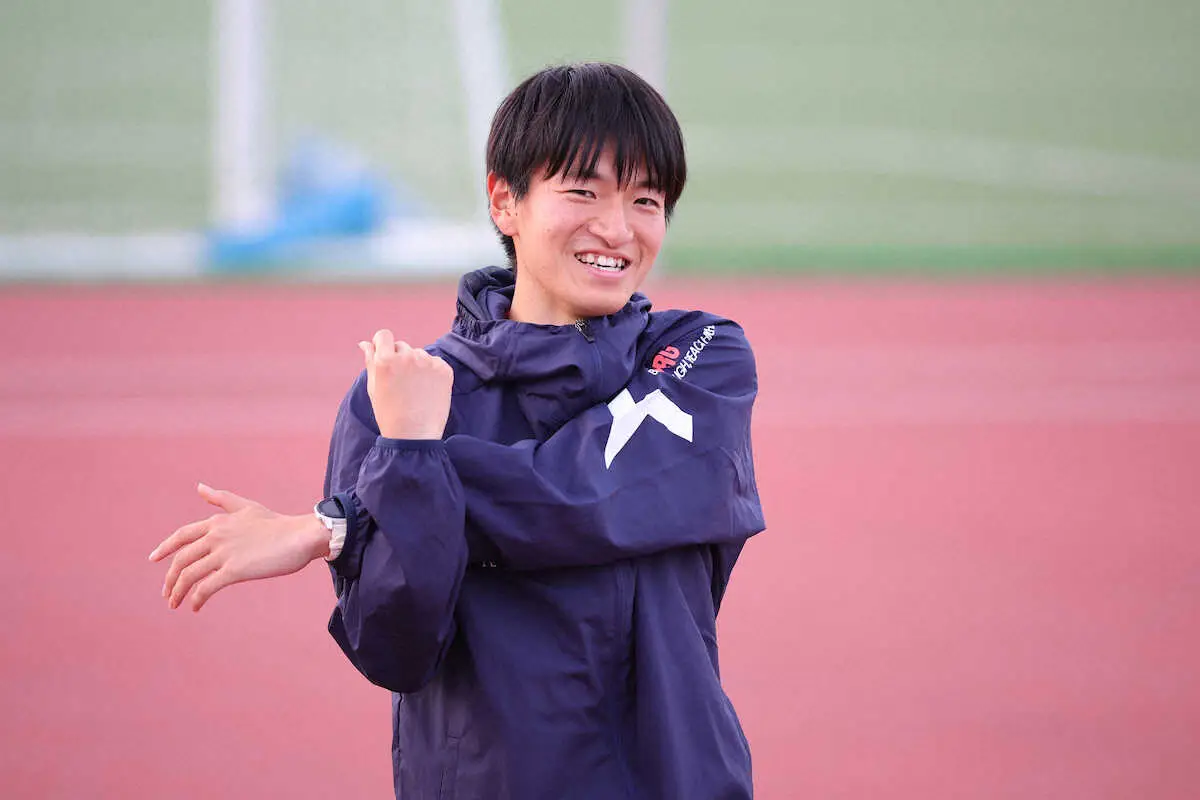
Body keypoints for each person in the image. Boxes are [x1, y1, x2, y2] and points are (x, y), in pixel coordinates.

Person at [150, 62, 765, 799]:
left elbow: (584, 494)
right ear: (505, 201)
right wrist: (405, 459)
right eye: (583, 192)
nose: (618, 228)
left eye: (647, 200)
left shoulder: (698, 356)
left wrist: (343, 520)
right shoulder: (396, 400)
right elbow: (395, 650)